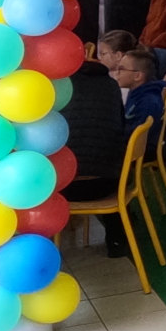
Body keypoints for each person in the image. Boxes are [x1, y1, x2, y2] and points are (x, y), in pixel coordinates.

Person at [59, 55, 130, 258]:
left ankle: (36, 245)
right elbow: (121, 126)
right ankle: (117, 239)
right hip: (112, 183)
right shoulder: (110, 84)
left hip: (66, 188)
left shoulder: (55, 89)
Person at [105, 46, 166, 130]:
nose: (116, 73)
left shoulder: (147, 103)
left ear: (137, 76)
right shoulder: (135, 93)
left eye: (121, 69)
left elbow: (133, 133)